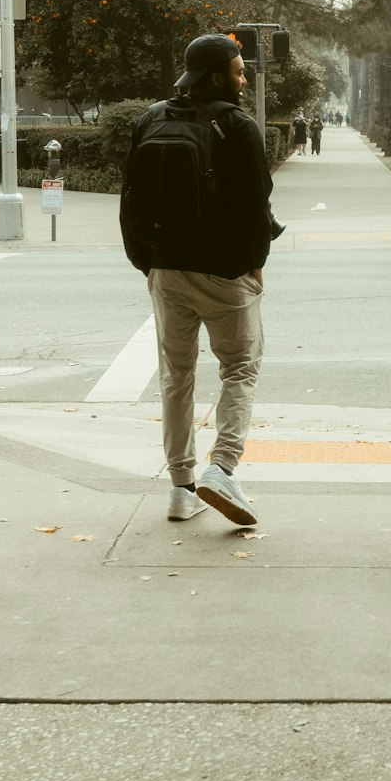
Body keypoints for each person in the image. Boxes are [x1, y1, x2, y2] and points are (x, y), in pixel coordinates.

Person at [120, 33, 272, 528]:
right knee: (240, 369)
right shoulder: (239, 126)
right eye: (238, 71)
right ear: (215, 75)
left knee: (176, 375)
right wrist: (254, 263)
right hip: (226, 273)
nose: (244, 79)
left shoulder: (152, 118)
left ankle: (181, 488)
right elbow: (257, 206)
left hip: (166, 268)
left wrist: (148, 261)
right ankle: (222, 468)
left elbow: (128, 198)